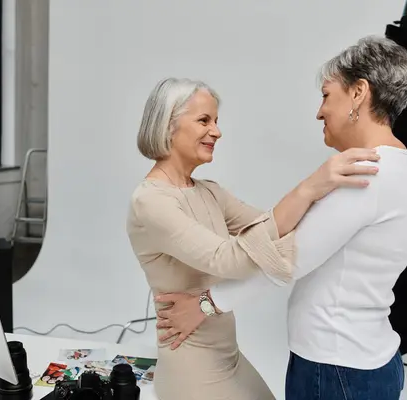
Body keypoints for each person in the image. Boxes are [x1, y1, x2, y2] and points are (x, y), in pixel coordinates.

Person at [153, 36, 407, 400]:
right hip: (361, 361)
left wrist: (204, 305)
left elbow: (286, 259)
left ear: (359, 92)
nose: (319, 111)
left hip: (337, 370)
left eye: (327, 95)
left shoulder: (368, 174)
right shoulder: (400, 167)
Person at [126, 75, 381, 399]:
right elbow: (231, 258)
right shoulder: (151, 201)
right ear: (168, 125)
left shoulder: (208, 192)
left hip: (228, 357)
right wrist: (310, 186)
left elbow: (273, 229)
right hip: (192, 368)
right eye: (204, 120)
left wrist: (328, 209)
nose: (216, 131)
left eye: (216, 121)